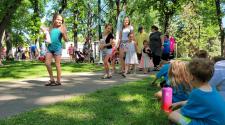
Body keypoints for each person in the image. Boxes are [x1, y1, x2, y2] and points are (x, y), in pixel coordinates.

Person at [168, 58, 225, 125]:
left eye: (187, 74)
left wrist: (178, 111)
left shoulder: (197, 93)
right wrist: (179, 103)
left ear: (192, 77)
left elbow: (184, 112)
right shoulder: (212, 89)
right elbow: (199, 102)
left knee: (173, 115)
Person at [44, 13, 68, 86]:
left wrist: (63, 34)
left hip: (57, 48)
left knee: (57, 64)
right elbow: (45, 38)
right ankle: (52, 80)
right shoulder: (50, 28)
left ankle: (58, 81)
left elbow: (66, 40)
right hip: (50, 48)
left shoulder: (62, 28)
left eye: (61, 20)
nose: (59, 21)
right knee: (47, 63)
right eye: (58, 19)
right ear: (54, 19)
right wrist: (45, 35)